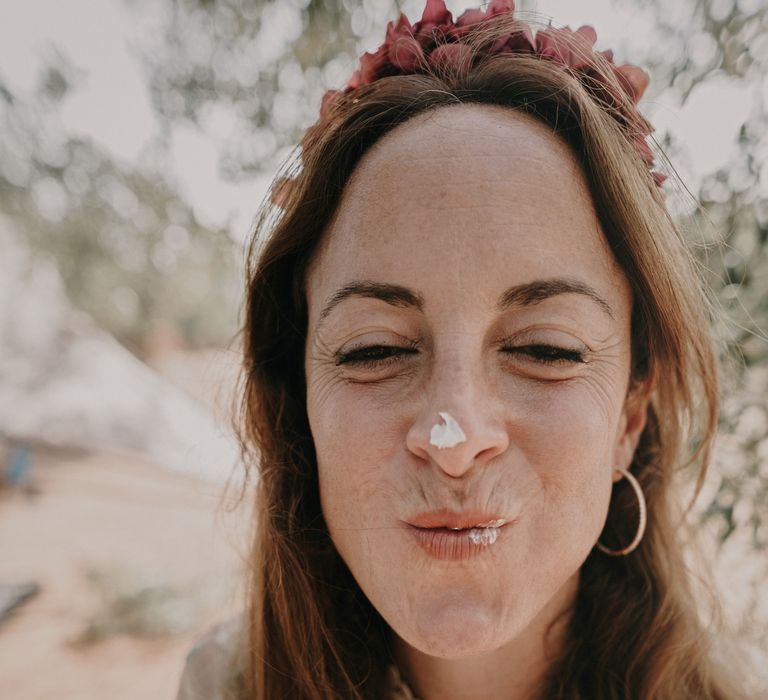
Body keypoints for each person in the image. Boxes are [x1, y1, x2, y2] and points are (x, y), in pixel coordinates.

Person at [175, 1, 755, 698]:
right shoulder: (221, 684)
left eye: (547, 348)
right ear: (299, 398)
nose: (453, 439)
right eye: (373, 351)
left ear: (631, 415)